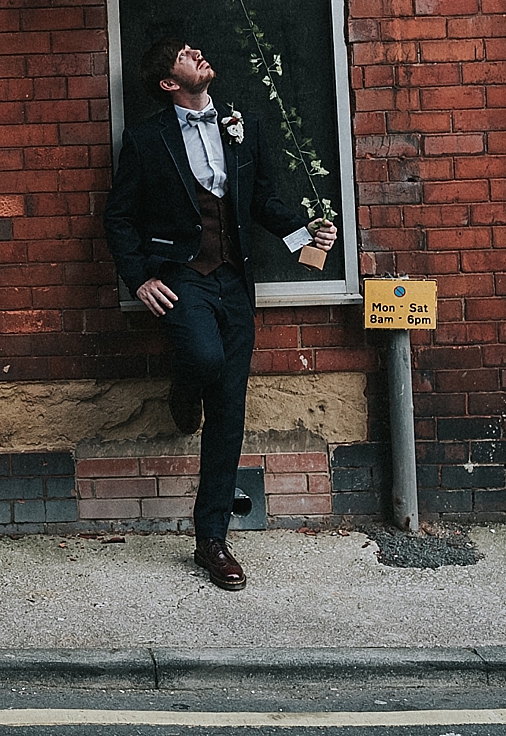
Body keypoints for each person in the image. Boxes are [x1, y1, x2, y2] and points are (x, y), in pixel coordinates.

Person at [102, 38, 337, 593]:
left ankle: (211, 539)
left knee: (230, 408)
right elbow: (119, 219)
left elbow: (263, 201)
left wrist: (307, 233)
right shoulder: (144, 139)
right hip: (183, 276)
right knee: (202, 358)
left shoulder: (245, 126)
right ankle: (184, 396)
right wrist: (139, 277)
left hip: (235, 280)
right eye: (186, 54)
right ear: (168, 82)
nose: (199, 55)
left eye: (196, 50)